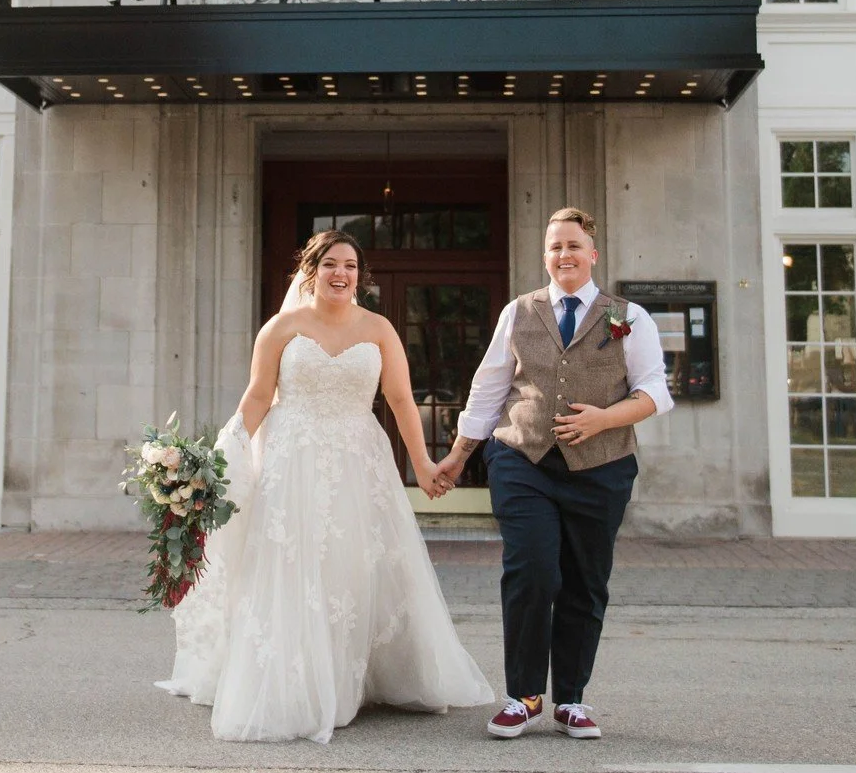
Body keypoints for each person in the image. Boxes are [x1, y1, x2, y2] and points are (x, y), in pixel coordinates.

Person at [156, 230, 493, 743]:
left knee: (352, 566)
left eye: (351, 266)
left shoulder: (379, 329)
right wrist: (217, 458)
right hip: (292, 459)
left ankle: (348, 677)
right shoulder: (282, 328)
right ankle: (296, 683)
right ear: (310, 270)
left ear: (361, 275)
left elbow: (401, 400)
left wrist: (423, 465)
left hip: (360, 460)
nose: (342, 273)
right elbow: (257, 397)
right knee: (294, 566)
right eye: (331, 263)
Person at [434, 207, 673, 740]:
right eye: (554, 247)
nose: (563, 255)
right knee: (533, 571)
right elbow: (489, 387)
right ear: (545, 256)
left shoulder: (628, 316)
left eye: (572, 245)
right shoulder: (519, 312)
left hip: (603, 467)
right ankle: (521, 696)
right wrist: (459, 454)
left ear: (592, 254)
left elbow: (656, 390)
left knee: (585, 583)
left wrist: (604, 419)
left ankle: (571, 698)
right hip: (522, 459)